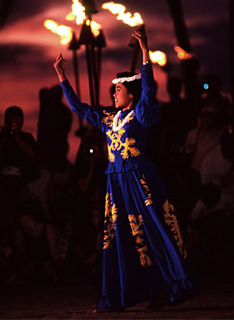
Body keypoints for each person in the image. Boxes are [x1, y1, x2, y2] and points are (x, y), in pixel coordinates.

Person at [53, 30, 194, 312]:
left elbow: (149, 89)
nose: (113, 92)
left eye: (118, 88)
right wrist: (61, 76)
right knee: (118, 237)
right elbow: (79, 108)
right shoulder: (108, 118)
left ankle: (166, 287)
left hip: (140, 180)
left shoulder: (140, 115)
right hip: (115, 184)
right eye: (113, 89)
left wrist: (144, 49)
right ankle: (115, 297)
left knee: (151, 231)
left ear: (131, 92)